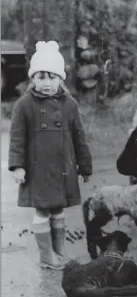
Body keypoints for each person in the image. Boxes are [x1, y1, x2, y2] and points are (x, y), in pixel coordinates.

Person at [8, 41, 93, 269]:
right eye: (41, 77)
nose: (46, 83)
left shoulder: (70, 105)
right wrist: (17, 166)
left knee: (58, 209)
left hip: (62, 167)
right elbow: (17, 138)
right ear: (32, 78)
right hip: (39, 169)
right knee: (43, 209)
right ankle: (46, 255)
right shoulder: (24, 105)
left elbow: (79, 138)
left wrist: (84, 167)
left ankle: (59, 252)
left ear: (61, 79)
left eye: (52, 77)